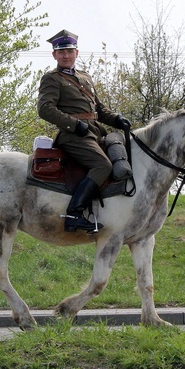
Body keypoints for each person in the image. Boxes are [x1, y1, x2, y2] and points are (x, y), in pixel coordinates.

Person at [37, 29, 131, 232]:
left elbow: (98, 109)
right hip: (73, 135)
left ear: (76, 53)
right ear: (54, 55)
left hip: (96, 132)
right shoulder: (52, 78)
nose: (66, 55)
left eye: (69, 51)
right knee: (103, 166)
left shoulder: (85, 77)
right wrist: (73, 124)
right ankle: (74, 214)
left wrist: (117, 119)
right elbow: (45, 109)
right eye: (61, 52)